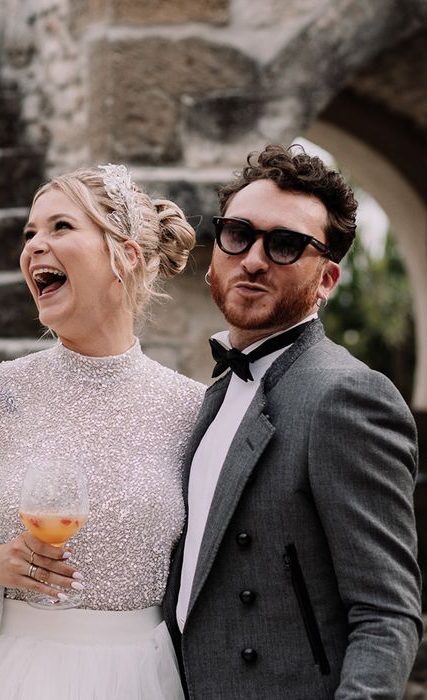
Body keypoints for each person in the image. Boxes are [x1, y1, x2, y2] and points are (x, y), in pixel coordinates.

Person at [0, 164, 205, 699]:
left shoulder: (191, 409)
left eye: (60, 228)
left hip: (143, 677)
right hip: (10, 673)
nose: (34, 247)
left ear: (123, 255)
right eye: (30, 233)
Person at [163, 143, 422, 698]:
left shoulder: (348, 397)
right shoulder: (211, 394)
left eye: (285, 245)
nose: (253, 259)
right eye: (238, 234)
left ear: (327, 280)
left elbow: (387, 614)